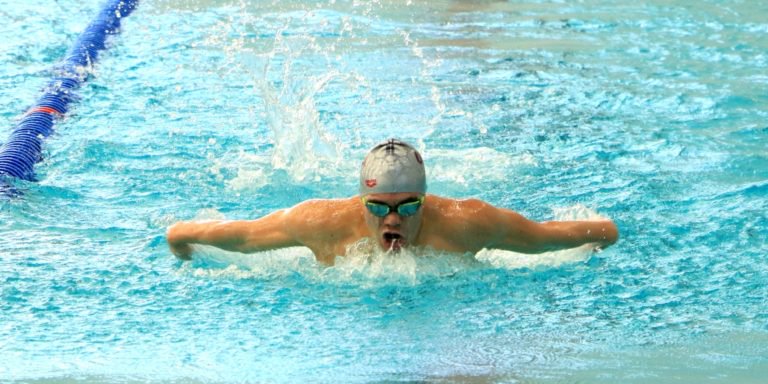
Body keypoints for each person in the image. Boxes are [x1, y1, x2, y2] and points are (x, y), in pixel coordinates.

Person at [167, 139, 619, 265]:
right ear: (361, 202)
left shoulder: (468, 222)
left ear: (426, 200)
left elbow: (547, 238)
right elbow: (240, 236)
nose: (393, 218)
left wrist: (605, 234)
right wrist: (181, 245)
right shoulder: (321, 223)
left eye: (407, 206)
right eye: (379, 207)